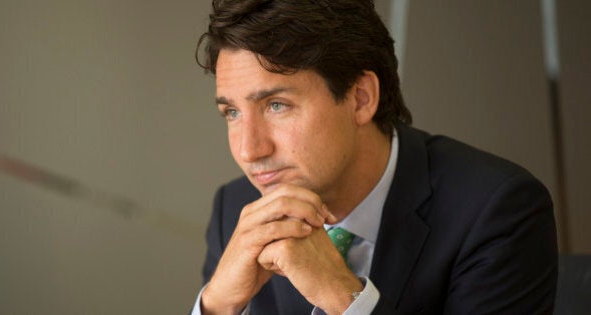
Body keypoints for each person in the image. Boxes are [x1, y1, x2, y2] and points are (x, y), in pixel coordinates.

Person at [190, 0, 558, 314]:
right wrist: (217, 305)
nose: (248, 150)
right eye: (232, 113)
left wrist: (342, 296)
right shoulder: (236, 206)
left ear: (361, 98)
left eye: (277, 105)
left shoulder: (498, 211)